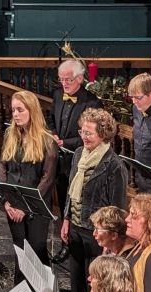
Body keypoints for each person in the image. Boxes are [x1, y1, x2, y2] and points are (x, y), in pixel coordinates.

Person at [61, 108, 128, 292]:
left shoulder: (114, 165)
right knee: (76, 280)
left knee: (95, 284)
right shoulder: (79, 154)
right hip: (75, 229)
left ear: (103, 133)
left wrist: (110, 242)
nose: (84, 136)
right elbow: (71, 191)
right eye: (82, 131)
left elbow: (117, 210)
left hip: (96, 235)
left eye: (89, 133)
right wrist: (66, 219)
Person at [0, 90, 57, 284]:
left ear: (32, 111)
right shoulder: (10, 134)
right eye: (13, 110)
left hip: (36, 207)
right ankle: (21, 291)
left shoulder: (47, 140)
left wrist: (25, 206)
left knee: (37, 250)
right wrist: (6, 201)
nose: (15, 114)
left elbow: (47, 179)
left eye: (20, 110)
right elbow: (3, 167)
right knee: (20, 250)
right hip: (13, 204)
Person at [46, 59, 103, 221]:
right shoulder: (58, 95)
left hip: (79, 162)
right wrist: (54, 134)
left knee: (76, 206)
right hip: (58, 159)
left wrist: (65, 143)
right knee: (62, 200)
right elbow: (50, 119)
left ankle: (73, 242)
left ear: (80, 78)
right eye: (61, 79)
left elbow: (94, 136)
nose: (64, 83)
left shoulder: (92, 102)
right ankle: (64, 242)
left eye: (68, 79)